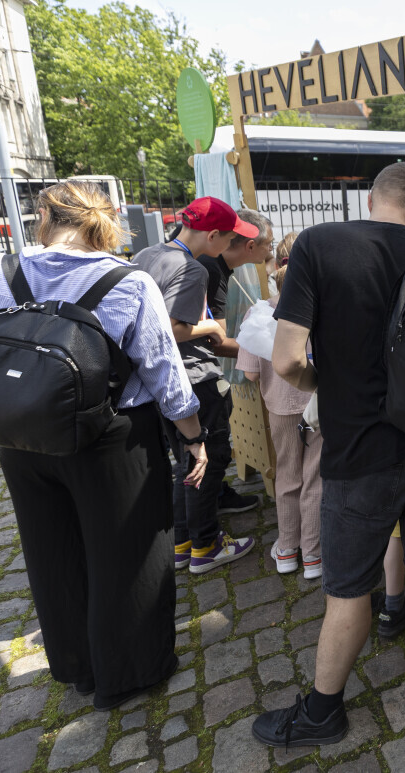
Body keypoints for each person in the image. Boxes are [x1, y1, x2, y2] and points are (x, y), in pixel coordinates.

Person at [0, 180, 206, 710]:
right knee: (128, 555)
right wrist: (194, 437)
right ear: (105, 223)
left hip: (21, 437)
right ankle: (129, 674)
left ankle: (76, 665)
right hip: (112, 438)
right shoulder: (129, 282)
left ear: (43, 216)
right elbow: (164, 372)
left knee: (52, 553)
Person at [252, 161, 405, 748]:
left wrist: (326, 385)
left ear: (371, 199)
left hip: (359, 454)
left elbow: (286, 360)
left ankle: (323, 712)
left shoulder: (318, 246)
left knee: (348, 589)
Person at [133, 196, 259, 574]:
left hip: (161, 380)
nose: (231, 244)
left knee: (186, 463)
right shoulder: (193, 269)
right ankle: (206, 546)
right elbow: (174, 328)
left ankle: (183, 542)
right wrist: (213, 328)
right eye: (230, 237)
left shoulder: (147, 254)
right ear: (214, 235)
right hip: (196, 379)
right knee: (209, 461)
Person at [236, 231, 322, 580]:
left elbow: (250, 373)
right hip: (319, 404)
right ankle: (314, 555)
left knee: (287, 475)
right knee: (316, 477)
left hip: (280, 407)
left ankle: (287, 549)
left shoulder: (259, 312)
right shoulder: (324, 309)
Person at [198, 208, 274, 515]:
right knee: (211, 450)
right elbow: (215, 341)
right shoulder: (210, 269)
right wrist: (269, 352)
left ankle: (215, 497)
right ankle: (201, 531)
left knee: (213, 449)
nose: (271, 250)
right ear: (251, 245)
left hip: (201, 372)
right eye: (268, 244)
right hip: (197, 376)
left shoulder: (217, 267)